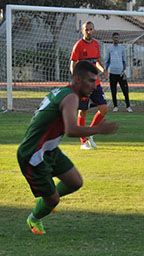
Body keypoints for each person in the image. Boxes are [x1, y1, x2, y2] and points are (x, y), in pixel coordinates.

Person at [18, 61, 119, 235]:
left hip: (48, 149)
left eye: (95, 81)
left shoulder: (64, 92)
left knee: (75, 182)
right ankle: (35, 217)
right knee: (53, 200)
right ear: (77, 79)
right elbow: (71, 130)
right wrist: (99, 129)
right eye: (90, 81)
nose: (94, 86)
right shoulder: (71, 97)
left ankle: (48, 201)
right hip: (33, 154)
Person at [70, 21, 109, 150]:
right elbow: (73, 64)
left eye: (91, 29)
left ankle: (90, 133)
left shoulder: (96, 44)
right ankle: (83, 142)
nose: (89, 31)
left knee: (103, 108)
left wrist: (103, 70)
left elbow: (97, 62)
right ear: (82, 30)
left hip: (95, 82)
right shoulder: (78, 45)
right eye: (87, 29)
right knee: (83, 111)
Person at [106, 32, 132, 113]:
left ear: (119, 39)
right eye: (115, 38)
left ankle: (128, 106)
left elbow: (124, 61)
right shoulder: (109, 48)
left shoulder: (122, 48)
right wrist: (105, 71)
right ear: (112, 39)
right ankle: (115, 106)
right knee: (113, 91)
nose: (116, 39)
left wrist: (123, 71)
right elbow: (107, 61)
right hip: (112, 73)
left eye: (117, 38)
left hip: (120, 73)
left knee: (125, 90)